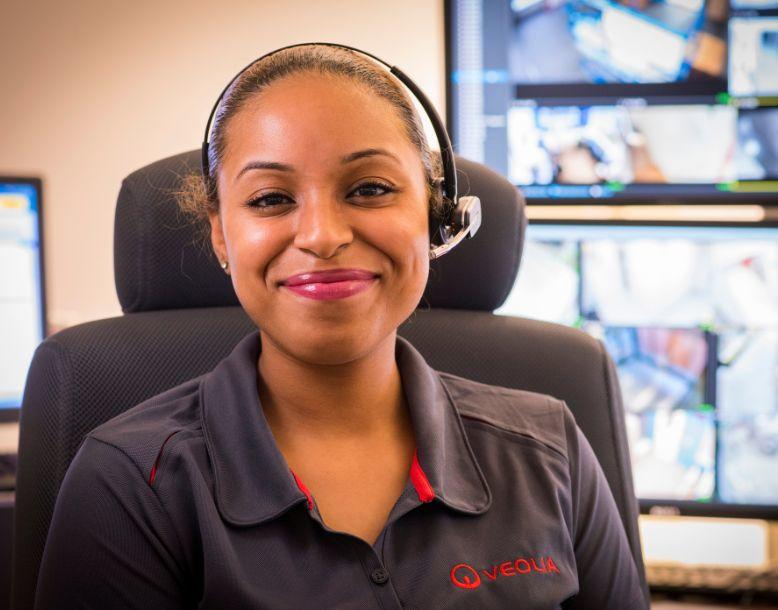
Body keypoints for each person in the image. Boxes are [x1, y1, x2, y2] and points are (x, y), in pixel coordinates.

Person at [35, 44, 648, 609]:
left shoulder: (549, 450)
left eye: (371, 188)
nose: (323, 235)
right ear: (222, 234)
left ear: (436, 218)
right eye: (271, 199)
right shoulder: (129, 482)